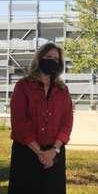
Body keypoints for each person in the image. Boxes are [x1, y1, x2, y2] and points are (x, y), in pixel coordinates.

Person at [8, 42, 73, 194]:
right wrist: (40, 152)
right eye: (48, 57)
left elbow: (67, 122)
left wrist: (53, 151)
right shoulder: (23, 86)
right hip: (26, 153)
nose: (52, 61)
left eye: (56, 59)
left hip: (55, 154)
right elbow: (19, 122)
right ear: (39, 59)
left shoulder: (63, 90)